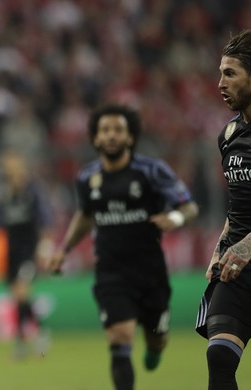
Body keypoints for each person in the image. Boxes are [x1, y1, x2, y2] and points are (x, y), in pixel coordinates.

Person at [43, 104, 198, 390]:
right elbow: (86, 216)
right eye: (105, 130)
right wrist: (63, 250)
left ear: (130, 137)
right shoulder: (87, 177)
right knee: (120, 337)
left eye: (118, 130)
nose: (111, 136)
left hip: (151, 272)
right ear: (95, 138)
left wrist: (174, 217)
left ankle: (154, 349)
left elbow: (189, 207)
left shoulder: (152, 171)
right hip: (111, 272)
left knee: (157, 339)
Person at [195, 29, 251, 390]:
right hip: (237, 267)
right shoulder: (229, 135)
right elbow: (238, 202)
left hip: (247, 252)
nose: (220, 82)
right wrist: (221, 246)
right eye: (220, 72)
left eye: (230, 73)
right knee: (219, 357)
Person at [0, 150, 54, 359]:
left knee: (21, 291)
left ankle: (20, 343)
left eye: (11, 163)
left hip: (29, 248)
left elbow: (44, 219)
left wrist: (45, 246)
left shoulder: (32, 190)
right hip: (12, 249)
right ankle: (41, 332)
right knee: (18, 295)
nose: (7, 168)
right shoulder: (2, 191)